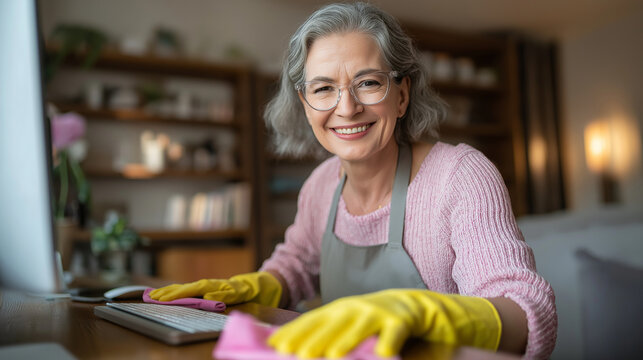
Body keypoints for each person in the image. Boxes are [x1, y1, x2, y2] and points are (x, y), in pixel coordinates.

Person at [150, 2, 557, 359]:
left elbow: (526, 310)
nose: (347, 108)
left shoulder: (460, 177)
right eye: (324, 88)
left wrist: (424, 313)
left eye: (368, 82)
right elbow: (297, 264)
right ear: (306, 105)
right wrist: (260, 285)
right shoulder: (320, 185)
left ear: (401, 95)